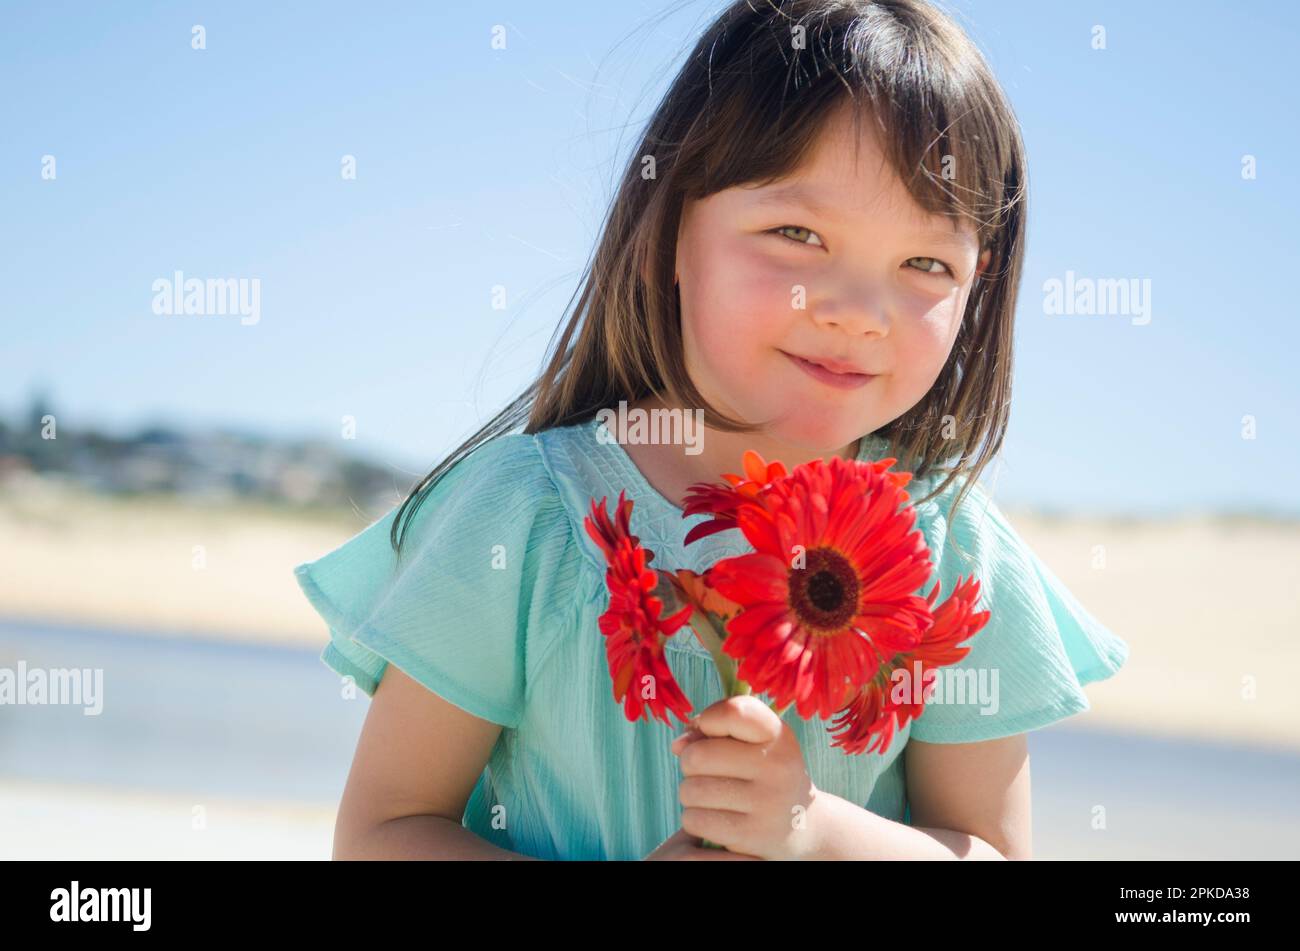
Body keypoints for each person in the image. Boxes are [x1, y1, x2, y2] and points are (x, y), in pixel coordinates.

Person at [295, 0, 1128, 861]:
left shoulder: (951, 551)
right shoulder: (527, 516)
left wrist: (814, 829)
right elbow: (382, 835)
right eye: (797, 233)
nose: (856, 312)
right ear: (670, 231)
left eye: (925, 263)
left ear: (976, 281)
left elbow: (991, 850)